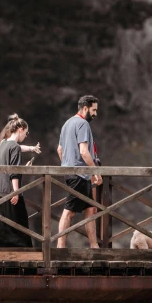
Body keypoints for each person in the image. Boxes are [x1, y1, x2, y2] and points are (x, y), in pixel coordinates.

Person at [56, 95, 101, 248]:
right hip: (79, 175)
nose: (95, 114)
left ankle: (94, 246)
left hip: (72, 173)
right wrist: (95, 172)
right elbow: (84, 151)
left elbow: (60, 149)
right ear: (85, 108)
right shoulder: (83, 124)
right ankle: (60, 248)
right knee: (69, 212)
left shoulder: (67, 124)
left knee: (90, 209)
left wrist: (66, 165)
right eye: (93, 110)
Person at [0, 115, 34, 248]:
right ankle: (25, 256)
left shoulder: (3, 144)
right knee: (20, 225)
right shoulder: (15, 147)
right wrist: (16, 192)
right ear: (20, 129)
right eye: (26, 132)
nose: (26, 135)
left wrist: (24, 166)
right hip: (9, 191)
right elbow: (13, 172)